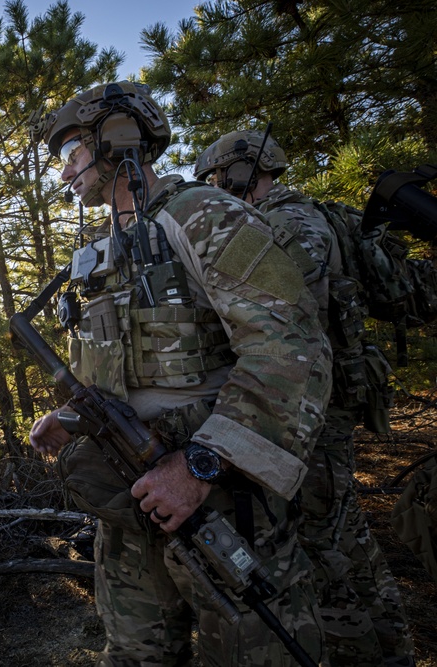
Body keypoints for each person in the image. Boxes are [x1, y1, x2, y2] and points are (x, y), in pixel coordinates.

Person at [27, 82, 332, 665]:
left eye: (71, 152)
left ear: (114, 140)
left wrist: (201, 464)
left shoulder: (200, 215)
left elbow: (291, 346)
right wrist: (70, 416)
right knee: (135, 653)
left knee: (255, 650)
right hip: (129, 500)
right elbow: (121, 371)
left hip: (220, 496)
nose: (65, 172)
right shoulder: (103, 246)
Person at [196, 131, 415, 667]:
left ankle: (371, 649)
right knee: (341, 530)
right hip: (319, 402)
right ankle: (385, 643)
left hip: (308, 409)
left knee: (328, 541)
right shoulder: (323, 215)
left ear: (237, 174)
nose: (214, 191)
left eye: (215, 181)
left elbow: (285, 326)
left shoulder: (281, 226)